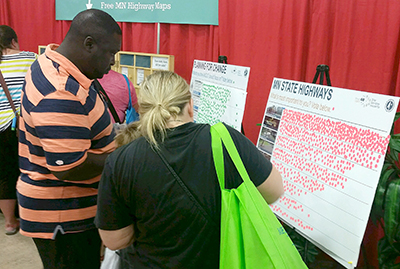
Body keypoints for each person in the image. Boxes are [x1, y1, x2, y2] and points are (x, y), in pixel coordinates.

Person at [95, 70, 284, 268]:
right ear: (190, 106)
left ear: (143, 111)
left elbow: (114, 240)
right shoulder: (225, 141)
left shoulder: (120, 160)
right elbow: (274, 191)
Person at [17, 9, 121, 269]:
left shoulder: (52, 60)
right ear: (89, 44)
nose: (113, 62)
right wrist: (124, 158)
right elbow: (70, 166)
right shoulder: (60, 91)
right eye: (111, 53)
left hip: (66, 209)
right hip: (63, 216)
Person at [0, 25, 36, 235]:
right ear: (14, 41)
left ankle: (10, 222)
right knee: (28, 171)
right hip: (24, 125)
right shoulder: (30, 58)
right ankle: (30, 217)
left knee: (4, 175)